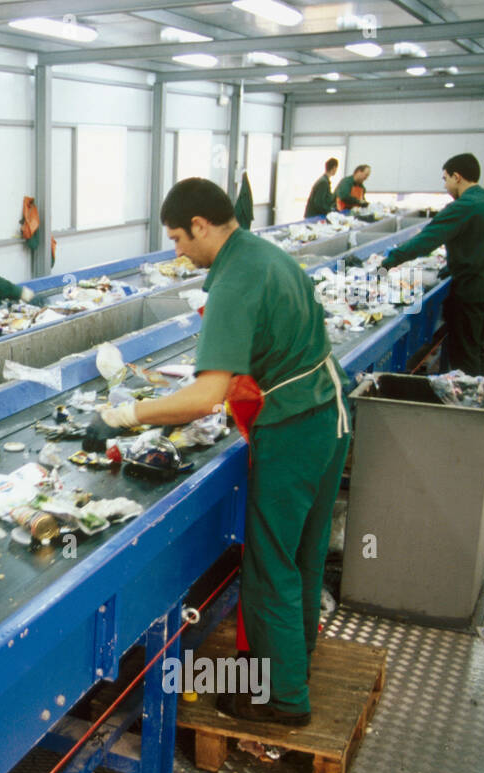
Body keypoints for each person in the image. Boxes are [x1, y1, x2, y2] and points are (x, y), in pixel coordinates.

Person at [99, 178, 351, 727]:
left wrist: (132, 414)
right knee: (304, 556)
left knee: (269, 565)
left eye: (178, 238)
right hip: (328, 418)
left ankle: (280, 700)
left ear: (202, 226)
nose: (177, 251)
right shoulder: (263, 253)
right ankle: (296, 657)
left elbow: (206, 395)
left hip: (292, 432)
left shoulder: (234, 280)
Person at [380, 153, 484, 377]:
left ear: (457, 177)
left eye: (445, 179)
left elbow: (424, 242)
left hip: (473, 292)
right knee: (481, 347)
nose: (445, 185)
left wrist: (388, 262)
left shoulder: (462, 207)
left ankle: (467, 406)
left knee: (466, 354)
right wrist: (452, 266)